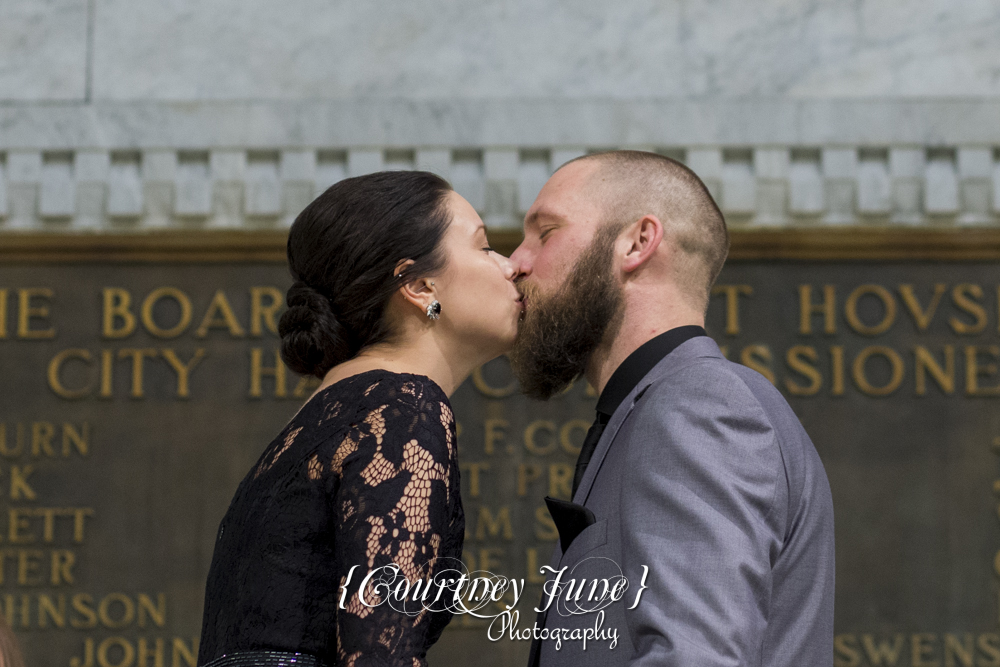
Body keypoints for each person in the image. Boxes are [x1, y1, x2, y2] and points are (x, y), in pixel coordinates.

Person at [509, 150, 835, 667]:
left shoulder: (698, 406)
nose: (515, 262)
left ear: (638, 242)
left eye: (545, 233)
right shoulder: (657, 408)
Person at [197, 170, 521, 667]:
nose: (511, 265)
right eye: (484, 247)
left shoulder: (326, 418)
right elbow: (379, 656)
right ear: (418, 284)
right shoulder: (402, 410)